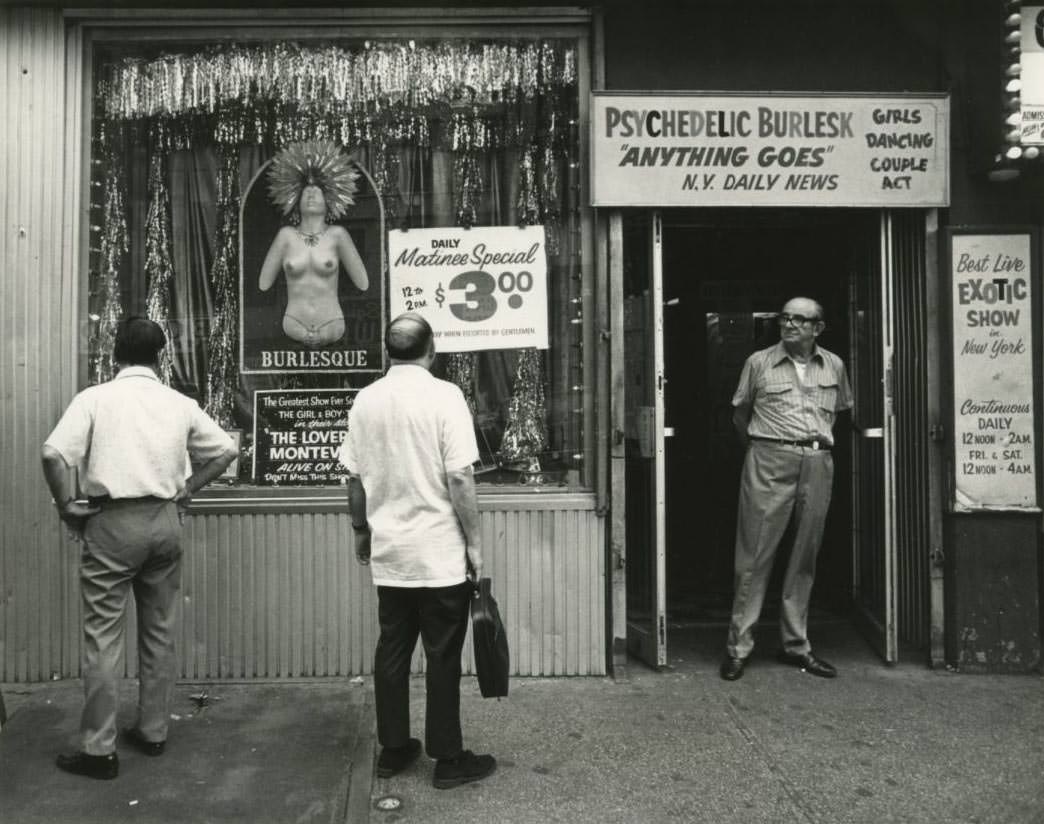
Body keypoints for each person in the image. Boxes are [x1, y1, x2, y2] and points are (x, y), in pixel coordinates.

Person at [41, 318, 238, 779]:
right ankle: (152, 731)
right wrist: (188, 489)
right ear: (160, 356)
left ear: (116, 355)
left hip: (112, 523)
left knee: (103, 636)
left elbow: (53, 455)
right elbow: (227, 451)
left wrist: (66, 504)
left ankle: (99, 750)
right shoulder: (178, 403)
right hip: (164, 521)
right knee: (159, 631)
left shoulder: (94, 399)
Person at [338, 312, 496, 790]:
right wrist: (474, 542)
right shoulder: (445, 396)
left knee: (392, 650)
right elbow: (461, 476)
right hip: (438, 553)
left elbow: (353, 477)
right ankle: (447, 759)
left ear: (389, 351)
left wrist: (362, 530)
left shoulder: (365, 400)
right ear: (432, 350)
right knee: (442, 654)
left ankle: (393, 750)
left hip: (392, 554)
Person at [720, 297, 853, 682]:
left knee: (805, 555)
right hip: (768, 459)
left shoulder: (834, 365)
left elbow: (840, 412)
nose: (790, 324)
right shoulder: (759, 362)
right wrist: (764, 451)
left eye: (800, 319)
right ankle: (738, 648)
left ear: (818, 327)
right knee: (754, 555)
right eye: (785, 318)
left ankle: (796, 646)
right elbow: (739, 414)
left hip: (817, 462)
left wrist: (812, 450)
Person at [259, 140, 369, 348]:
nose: (311, 195)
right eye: (306, 192)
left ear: (329, 201)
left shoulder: (338, 235)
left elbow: (363, 283)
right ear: (294, 200)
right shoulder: (286, 236)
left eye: (317, 192)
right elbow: (263, 284)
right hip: (293, 324)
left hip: (332, 324)